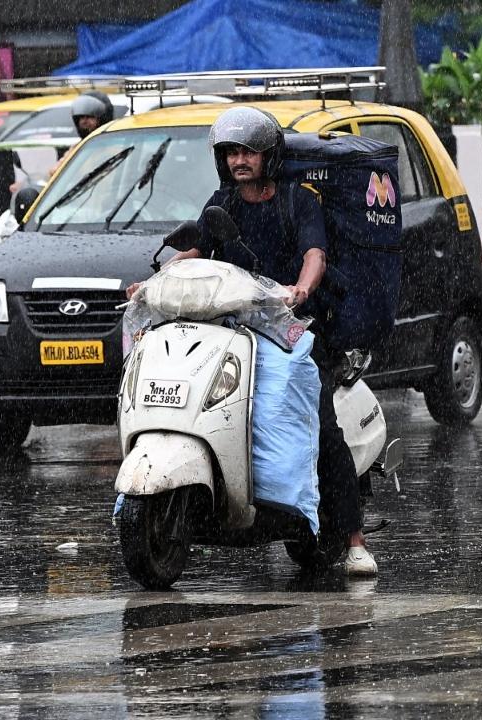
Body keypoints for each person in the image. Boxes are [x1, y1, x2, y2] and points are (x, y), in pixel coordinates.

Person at [126, 106, 377, 576]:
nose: (240, 160)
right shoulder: (224, 200)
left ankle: (354, 537)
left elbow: (314, 254)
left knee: (319, 427)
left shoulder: (297, 202)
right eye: (232, 152)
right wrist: (155, 280)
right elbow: (197, 248)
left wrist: (300, 289)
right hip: (236, 326)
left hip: (293, 328)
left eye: (249, 152)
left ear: (269, 157)